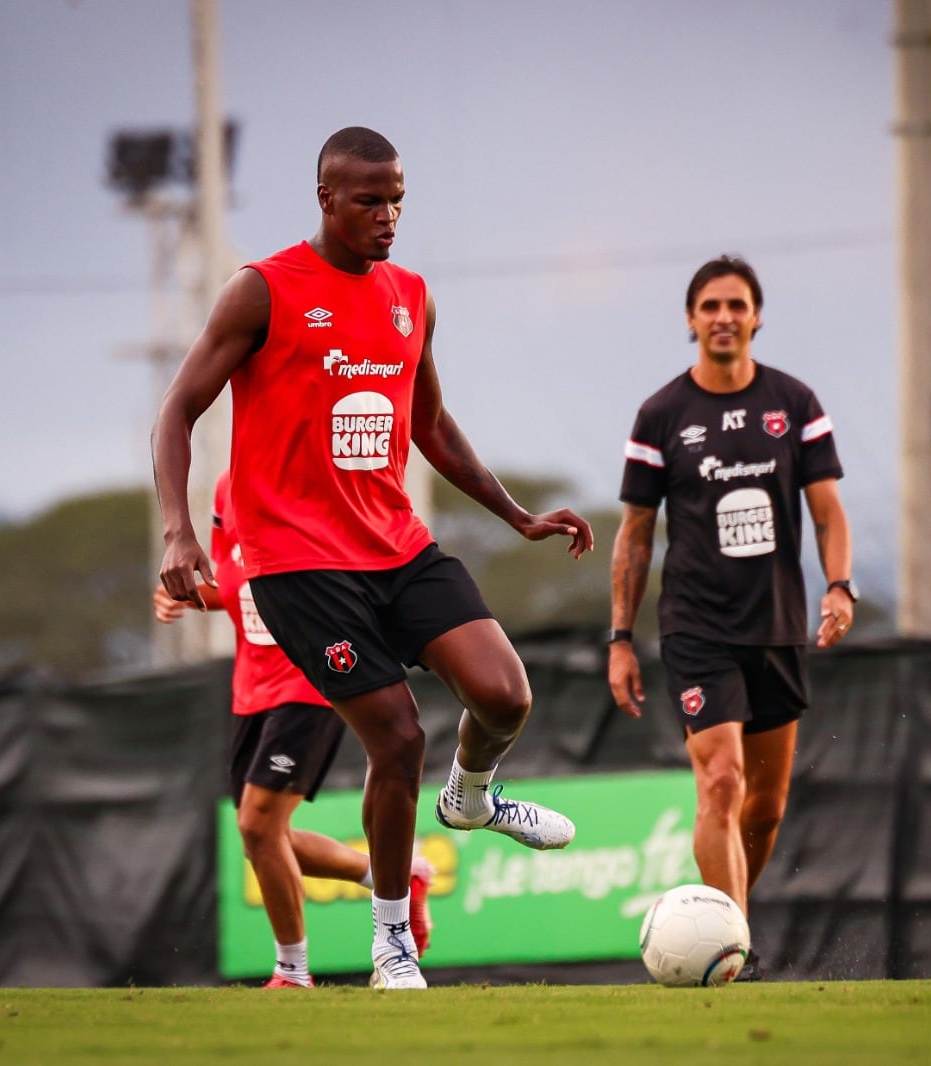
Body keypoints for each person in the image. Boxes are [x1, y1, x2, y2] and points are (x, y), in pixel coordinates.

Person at [153, 126, 593, 990]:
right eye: (368, 201)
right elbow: (176, 412)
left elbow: (428, 424)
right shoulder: (263, 292)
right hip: (297, 569)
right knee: (396, 738)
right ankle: (392, 942)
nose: (388, 217)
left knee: (504, 694)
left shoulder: (412, 296)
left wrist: (517, 515)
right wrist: (179, 530)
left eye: (397, 200)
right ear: (325, 199)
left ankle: (472, 797)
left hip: (396, 546)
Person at [608, 254, 856, 981]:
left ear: (756, 316)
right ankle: (730, 952)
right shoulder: (661, 415)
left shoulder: (796, 402)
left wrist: (839, 587)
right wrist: (621, 638)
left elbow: (829, 509)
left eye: (736, 305)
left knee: (767, 808)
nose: (723, 317)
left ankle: (728, 924)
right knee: (721, 781)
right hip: (696, 628)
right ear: (690, 320)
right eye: (710, 305)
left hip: (777, 627)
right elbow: (634, 534)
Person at [152, 469, 433, 989]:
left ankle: (292, 971)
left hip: (311, 682)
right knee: (264, 835)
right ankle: (394, 874)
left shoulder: (317, 478)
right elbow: (233, 585)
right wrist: (188, 595)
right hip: (249, 691)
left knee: (258, 825)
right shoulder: (226, 487)